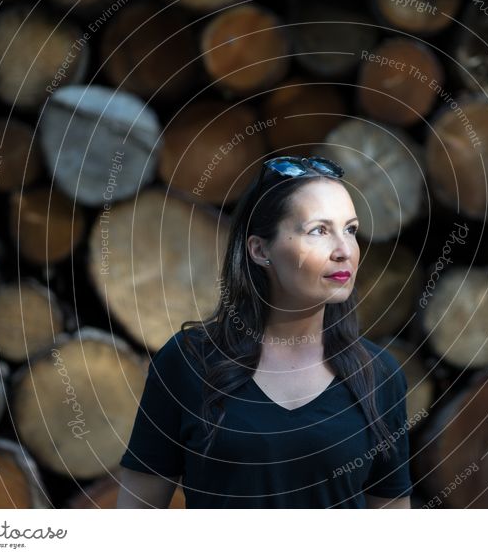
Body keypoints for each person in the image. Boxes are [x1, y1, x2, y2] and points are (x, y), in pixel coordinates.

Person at [116, 155, 413, 509]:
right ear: (260, 250)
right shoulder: (188, 361)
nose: (344, 250)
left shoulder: (378, 374)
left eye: (350, 229)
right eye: (319, 230)